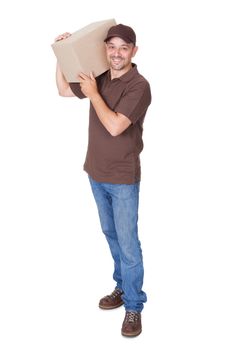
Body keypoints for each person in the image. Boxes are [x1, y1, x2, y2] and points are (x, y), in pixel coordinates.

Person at [55, 23, 151, 337]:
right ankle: (122, 287)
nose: (116, 53)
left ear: (133, 51)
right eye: (112, 47)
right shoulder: (100, 76)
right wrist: (63, 55)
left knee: (128, 244)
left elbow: (114, 126)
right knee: (112, 235)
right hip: (96, 172)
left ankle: (134, 305)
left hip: (122, 178)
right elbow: (64, 90)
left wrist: (94, 94)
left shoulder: (139, 86)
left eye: (124, 47)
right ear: (105, 49)